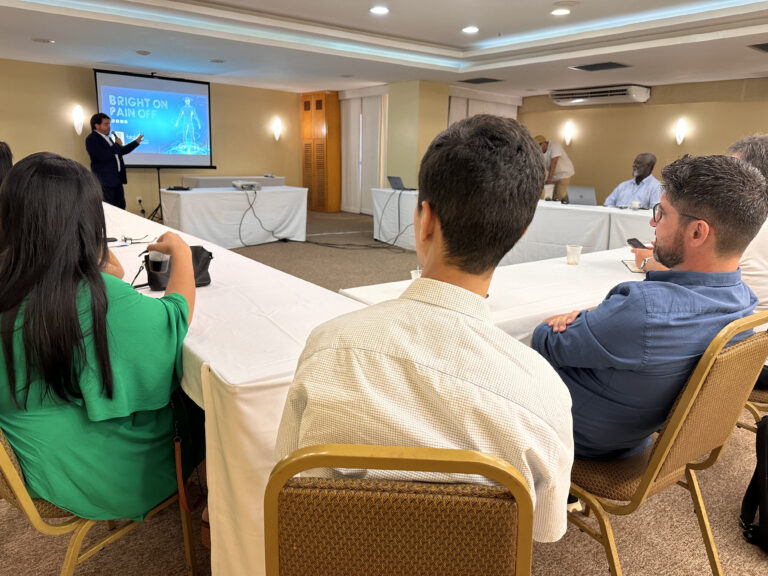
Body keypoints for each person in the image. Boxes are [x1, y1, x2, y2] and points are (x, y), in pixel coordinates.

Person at [277, 115, 574, 543]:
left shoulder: (328, 349)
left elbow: (290, 491)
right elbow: (545, 530)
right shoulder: (543, 392)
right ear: (521, 231)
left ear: (425, 220)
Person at [0, 152, 204, 521]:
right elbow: (174, 318)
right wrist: (182, 253)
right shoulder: (97, 298)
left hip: (33, 463)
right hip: (97, 476)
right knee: (203, 399)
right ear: (87, 221)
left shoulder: (14, 283)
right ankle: (208, 505)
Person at [532, 155, 767, 460]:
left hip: (575, 437)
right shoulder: (743, 301)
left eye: (662, 213)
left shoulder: (643, 311)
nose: (652, 222)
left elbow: (544, 341)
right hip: (636, 432)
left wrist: (587, 316)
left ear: (698, 232)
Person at [632, 136, 768, 390]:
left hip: (745, 355)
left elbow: (691, 279)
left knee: (657, 345)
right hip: (751, 343)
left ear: (752, 179)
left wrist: (649, 260)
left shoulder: (747, 228)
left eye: (731, 171)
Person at [85, 113, 143, 209]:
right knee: (109, 210)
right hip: (104, 182)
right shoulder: (91, 139)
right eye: (106, 124)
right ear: (97, 125)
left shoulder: (108, 139)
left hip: (116, 180)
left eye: (109, 124)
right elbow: (101, 156)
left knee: (120, 208)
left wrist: (135, 142)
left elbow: (120, 151)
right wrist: (116, 145)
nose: (109, 127)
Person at [535, 134, 574, 201]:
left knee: (559, 195)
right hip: (554, 175)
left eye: (539, 145)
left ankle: (567, 200)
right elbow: (540, 167)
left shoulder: (555, 145)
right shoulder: (539, 152)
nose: (538, 148)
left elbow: (554, 162)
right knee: (549, 197)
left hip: (564, 174)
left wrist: (549, 179)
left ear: (544, 143)